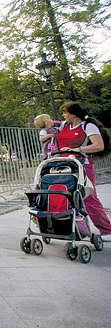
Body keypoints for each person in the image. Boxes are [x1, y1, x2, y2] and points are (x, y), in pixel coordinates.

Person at [56, 101, 111, 242]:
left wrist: (78, 149)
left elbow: (98, 145)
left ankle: (106, 230)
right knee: (64, 195)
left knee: (88, 197)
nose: (63, 115)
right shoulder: (64, 125)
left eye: (65, 112)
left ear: (73, 114)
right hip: (64, 165)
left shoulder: (88, 126)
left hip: (82, 165)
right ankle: (70, 228)